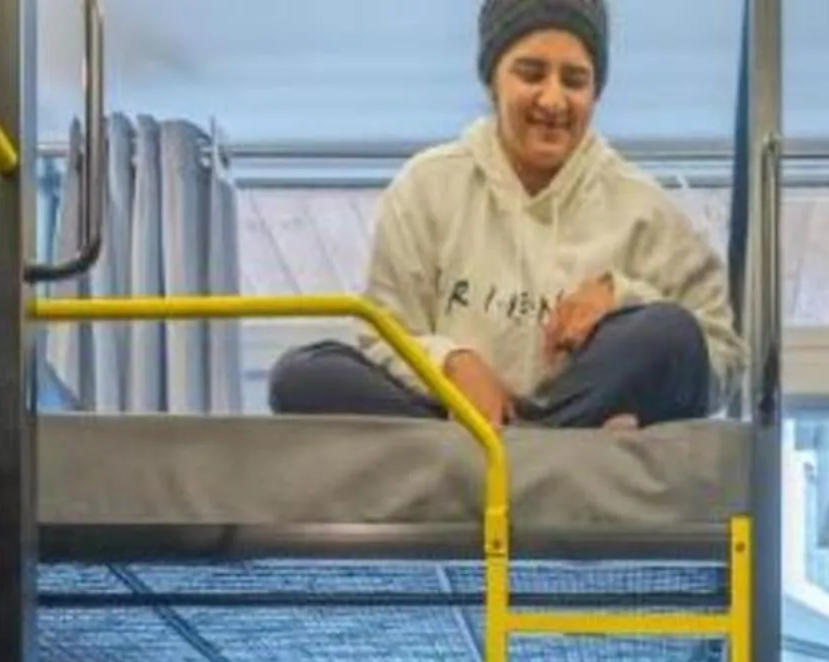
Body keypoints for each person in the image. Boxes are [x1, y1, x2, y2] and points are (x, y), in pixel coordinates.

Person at [266, 0, 740, 430]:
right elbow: (384, 336)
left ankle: (541, 442)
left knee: (668, 331)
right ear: (493, 79)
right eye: (532, 74)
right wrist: (451, 362)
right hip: (459, 422)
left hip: (580, 420)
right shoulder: (425, 187)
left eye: (574, 80)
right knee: (301, 375)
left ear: (596, 91)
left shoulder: (645, 207)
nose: (553, 100)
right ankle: (511, 445)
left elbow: (720, 360)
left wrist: (620, 298)